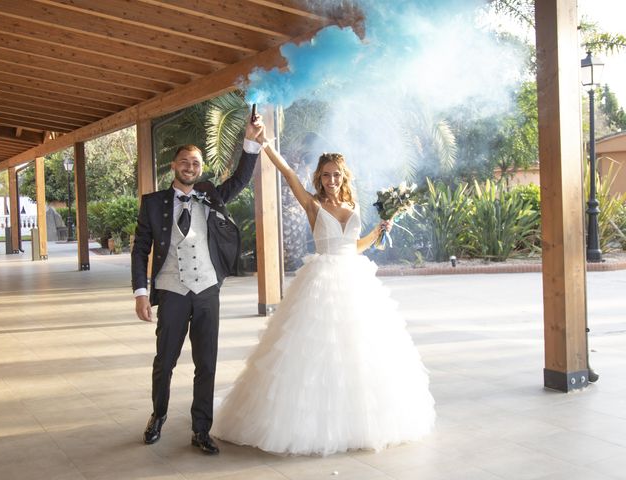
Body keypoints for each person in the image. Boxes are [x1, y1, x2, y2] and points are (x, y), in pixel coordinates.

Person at [212, 144, 435, 456]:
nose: (331, 179)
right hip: (321, 281)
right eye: (326, 174)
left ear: (344, 176)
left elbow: (355, 246)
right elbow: (288, 174)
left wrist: (378, 231)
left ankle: (358, 422)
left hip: (355, 279)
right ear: (319, 177)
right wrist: (264, 144)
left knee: (360, 350)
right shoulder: (313, 204)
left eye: (336, 174)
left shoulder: (353, 204)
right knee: (317, 350)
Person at [131, 112, 266, 455]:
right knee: (166, 361)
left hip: (207, 290)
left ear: (201, 168)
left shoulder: (210, 196)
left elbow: (239, 179)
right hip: (172, 290)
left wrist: (250, 141)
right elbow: (140, 249)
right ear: (174, 166)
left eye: (196, 162)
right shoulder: (152, 203)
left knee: (206, 362)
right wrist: (141, 293)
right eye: (184, 161)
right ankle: (157, 416)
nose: (190, 167)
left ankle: (201, 429)